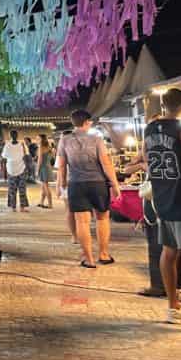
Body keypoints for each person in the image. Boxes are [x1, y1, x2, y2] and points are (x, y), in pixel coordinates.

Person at [142, 88, 181, 327]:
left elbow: (146, 160)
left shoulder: (149, 129)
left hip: (163, 198)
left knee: (169, 252)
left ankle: (173, 307)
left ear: (162, 104)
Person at [58, 110, 121, 268]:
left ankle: (89, 259)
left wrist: (62, 185)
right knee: (102, 219)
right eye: (90, 121)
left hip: (76, 184)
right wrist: (115, 184)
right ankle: (104, 254)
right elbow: (106, 163)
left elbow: (61, 166)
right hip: (98, 183)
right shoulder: (97, 139)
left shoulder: (64, 140)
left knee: (82, 222)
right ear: (86, 122)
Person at [4, 130, 29, 212]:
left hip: (11, 169)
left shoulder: (7, 145)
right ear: (17, 136)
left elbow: (4, 157)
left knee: (12, 189)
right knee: (22, 189)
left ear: (10, 136)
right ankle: (22, 207)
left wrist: (4, 171)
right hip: (21, 168)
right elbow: (26, 156)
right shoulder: (22, 144)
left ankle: (13, 207)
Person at [37, 136, 54, 209]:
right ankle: (42, 202)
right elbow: (52, 158)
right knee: (44, 186)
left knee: (45, 186)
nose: (37, 140)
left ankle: (50, 204)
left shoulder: (41, 147)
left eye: (38, 138)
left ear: (42, 139)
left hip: (43, 167)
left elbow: (40, 160)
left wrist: (37, 169)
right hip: (48, 167)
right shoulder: (49, 147)